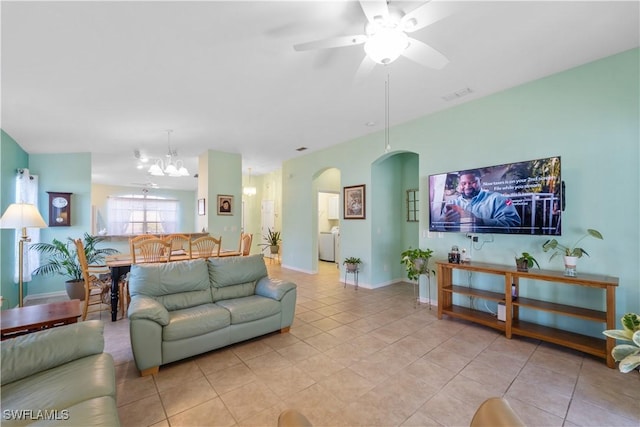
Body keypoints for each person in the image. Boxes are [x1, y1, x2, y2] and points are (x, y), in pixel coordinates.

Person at [441, 169, 521, 232]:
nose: (467, 186)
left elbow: (513, 224)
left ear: (481, 181)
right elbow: (436, 226)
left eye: (472, 182)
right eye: (463, 183)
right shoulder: (452, 203)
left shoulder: (498, 199)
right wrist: (445, 224)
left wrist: (479, 221)